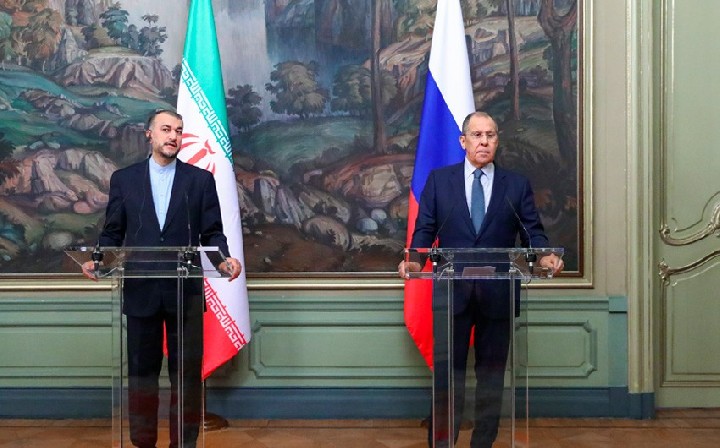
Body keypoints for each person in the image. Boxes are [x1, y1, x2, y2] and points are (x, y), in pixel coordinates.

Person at [398, 111, 563, 448]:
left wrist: (545, 254)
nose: (484, 141)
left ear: (497, 141)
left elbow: (532, 231)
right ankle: (442, 443)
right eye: (477, 135)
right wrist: (414, 261)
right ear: (463, 141)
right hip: (452, 294)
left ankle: (482, 443)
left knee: (491, 378)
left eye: (490, 135)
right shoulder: (439, 181)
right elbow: (424, 229)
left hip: (498, 295)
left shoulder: (515, 184)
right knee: (448, 378)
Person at [81, 109, 241, 448]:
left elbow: (212, 232)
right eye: (166, 129)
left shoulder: (199, 180)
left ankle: (183, 444)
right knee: (142, 374)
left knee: (186, 375)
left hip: (185, 291)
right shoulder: (125, 179)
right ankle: (143, 443)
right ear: (149, 135)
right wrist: (98, 259)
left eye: (178, 131)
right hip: (141, 288)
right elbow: (113, 231)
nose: (173, 136)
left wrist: (224, 259)